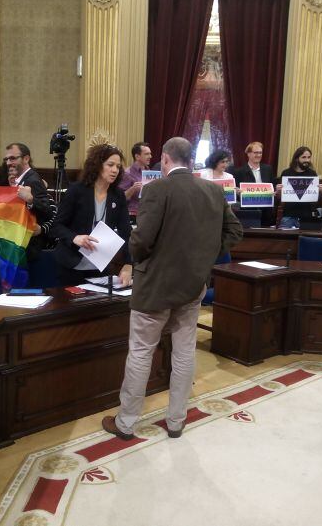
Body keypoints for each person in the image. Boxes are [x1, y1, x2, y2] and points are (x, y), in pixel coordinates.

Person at [101, 137, 243, 440]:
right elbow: (235, 231)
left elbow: (143, 239)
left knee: (140, 353)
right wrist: (204, 257)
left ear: (165, 159)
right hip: (193, 286)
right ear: (189, 160)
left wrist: (132, 255)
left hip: (155, 287)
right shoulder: (212, 191)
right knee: (183, 353)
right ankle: (176, 421)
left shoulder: (156, 189)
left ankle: (126, 423)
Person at [51, 144, 133, 286]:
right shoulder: (76, 191)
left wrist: (128, 263)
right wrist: (75, 237)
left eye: (118, 167)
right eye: (110, 165)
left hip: (100, 266)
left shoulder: (118, 195)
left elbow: (126, 232)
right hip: (71, 265)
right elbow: (56, 226)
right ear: (97, 165)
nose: (115, 170)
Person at [4, 143, 56, 259]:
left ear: (26, 158)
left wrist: (30, 200)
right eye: (6, 159)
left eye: (12, 158)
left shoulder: (33, 180)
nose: (8, 163)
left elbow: (48, 212)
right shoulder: (21, 180)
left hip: (30, 249)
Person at [275, 146, 322, 229]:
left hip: (307, 216)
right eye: (304, 157)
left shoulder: (312, 174)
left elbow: (316, 198)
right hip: (289, 215)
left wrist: (320, 191)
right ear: (296, 159)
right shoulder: (286, 173)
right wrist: (278, 191)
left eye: (309, 157)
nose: (307, 160)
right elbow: (280, 197)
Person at [231, 142, 275, 226]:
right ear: (248, 154)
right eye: (255, 152)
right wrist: (237, 193)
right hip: (248, 212)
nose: (258, 155)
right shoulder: (239, 172)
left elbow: (273, 186)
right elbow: (235, 193)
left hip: (266, 211)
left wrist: (275, 191)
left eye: (260, 152)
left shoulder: (268, 169)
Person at [117, 142, 152, 223]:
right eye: (147, 154)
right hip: (133, 215)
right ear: (137, 156)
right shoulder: (127, 173)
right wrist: (133, 189)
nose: (150, 156)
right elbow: (120, 198)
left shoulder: (149, 172)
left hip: (148, 213)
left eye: (150, 154)